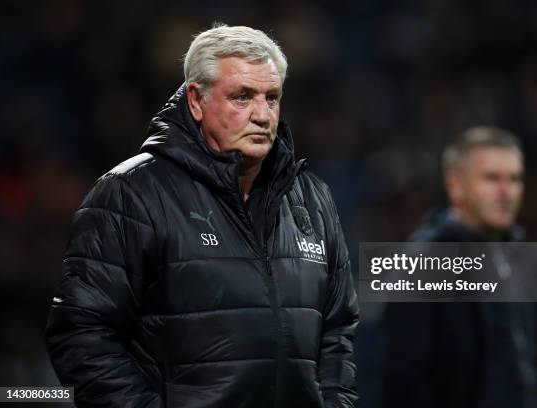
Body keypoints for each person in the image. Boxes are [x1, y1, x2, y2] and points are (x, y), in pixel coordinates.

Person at [45, 24, 358, 408]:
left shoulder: (312, 198)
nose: (262, 115)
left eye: (271, 98)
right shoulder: (130, 194)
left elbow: (337, 331)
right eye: (242, 97)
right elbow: (81, 335)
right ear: (196, 100)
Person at [382, 127, 537, 408]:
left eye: (515, 179)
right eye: (491, 179)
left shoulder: (520, 256)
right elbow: (405, 378)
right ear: (455, 186)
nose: (506, 192)